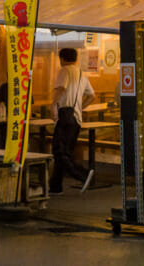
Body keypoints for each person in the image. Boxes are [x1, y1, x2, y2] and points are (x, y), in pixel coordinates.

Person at [49, 47, 95, 195]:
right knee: (64, 152)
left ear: (62, 59)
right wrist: (80, 108)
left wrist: (53, 105)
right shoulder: (82, 74)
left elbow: (61, 88)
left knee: (59, 151)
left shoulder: (65, 71)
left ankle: (83, 174)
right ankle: (55, 187)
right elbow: (92, 95)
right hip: (76, 118)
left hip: (65, 114)